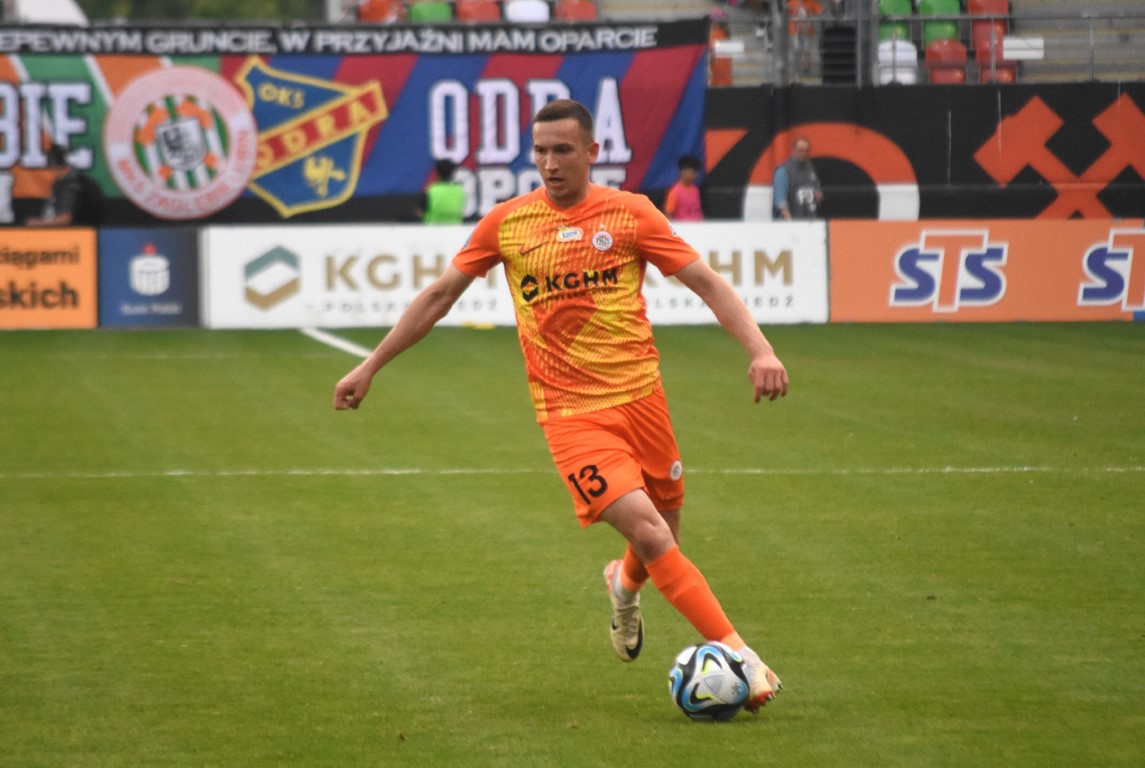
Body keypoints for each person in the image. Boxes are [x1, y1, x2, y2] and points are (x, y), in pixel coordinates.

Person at [333, 99, 788, 713]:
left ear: (592, 152)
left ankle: (622, 585)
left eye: (563, 151)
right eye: (541, 151)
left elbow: (706, 282)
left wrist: (761, 349)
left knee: (663, 538)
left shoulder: (631, 214)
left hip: (644, 400)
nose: (549, 163)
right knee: (651, 532)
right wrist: (370, 365)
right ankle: (744, 658)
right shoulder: (508, 223)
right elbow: (439, 296)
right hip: (571, 416)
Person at [27, 144, 103, 227]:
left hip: (73, 232)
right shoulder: (60, 182)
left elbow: (65, 219)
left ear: (53, 164)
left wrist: (38, 223)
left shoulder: (71, 185)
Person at [772, 136, 823, 220]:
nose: (804, 153)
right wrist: (790, 221)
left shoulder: (810, 169)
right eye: (800, 150)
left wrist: (818, 196)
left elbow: (818, 192)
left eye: (807, 150)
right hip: (790, 221)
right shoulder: (783, 171)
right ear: (793, 150)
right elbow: (781, 202)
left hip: (810, 219)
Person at [419, 159, 466, 224]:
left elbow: (421, 212)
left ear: (437, 173)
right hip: (455, 228)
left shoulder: (431, 191)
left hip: (433, 228)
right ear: (452, 173)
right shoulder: (460, 190)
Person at [663, 155, 704, 222]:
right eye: (693, 172)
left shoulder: (696, 189)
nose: (696, 175)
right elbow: (668, 214)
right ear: (684, 172)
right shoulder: (674, 192)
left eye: (697, 173)